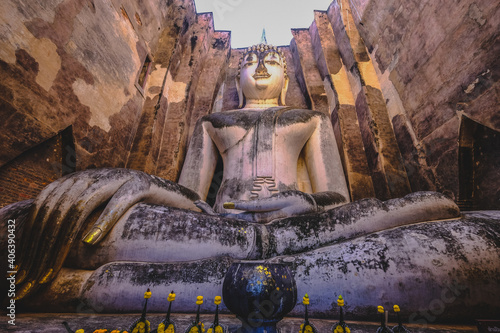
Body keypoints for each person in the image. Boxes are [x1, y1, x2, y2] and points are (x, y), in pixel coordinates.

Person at [5, 45, 482, 319]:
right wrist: (143, 184)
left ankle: (89, 286)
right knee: (32, 223)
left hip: (306, 227)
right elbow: (190, 195)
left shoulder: (308, 119)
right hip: (217, 228)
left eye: (271, 61)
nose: (259, 67)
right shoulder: (214, 122)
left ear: (285, 78)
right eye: (250, 61)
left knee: (439, 209)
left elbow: (338, 195)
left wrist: (305, 201)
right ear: (236, 76)